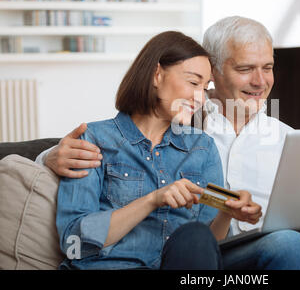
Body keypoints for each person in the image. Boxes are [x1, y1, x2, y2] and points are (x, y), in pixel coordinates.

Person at [38, 17, 300, 270]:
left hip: (285, 243)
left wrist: (229, 207)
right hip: (231, 253)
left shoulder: (281, 137)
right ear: (214, 72)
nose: (260, 81)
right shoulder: (184, 131)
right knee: (286, 244)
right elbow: (117, 144)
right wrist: (47, 156)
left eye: (268, 67)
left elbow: (205, 232)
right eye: (245, 69)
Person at [53, 31, 262, 270]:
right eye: (194, 83)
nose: (202, 99)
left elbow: (207, 249)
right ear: (157, 74)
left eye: (205, 88)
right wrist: (153, 199)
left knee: (286, 244)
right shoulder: (94, 140)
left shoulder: (202, 148)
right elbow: (73, 244)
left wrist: (227, 211)